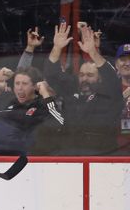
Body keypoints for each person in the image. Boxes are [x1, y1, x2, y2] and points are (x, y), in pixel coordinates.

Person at [44, 23, 123, 155]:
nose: (84, 79)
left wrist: (93, 52)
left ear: (100, 79)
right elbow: (52, 74)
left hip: (102, 158)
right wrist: (57, 48)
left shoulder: (110, 95)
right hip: (70, 157)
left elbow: (111, 77)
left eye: (90, 75)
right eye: (81, 75)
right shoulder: (71, 90)